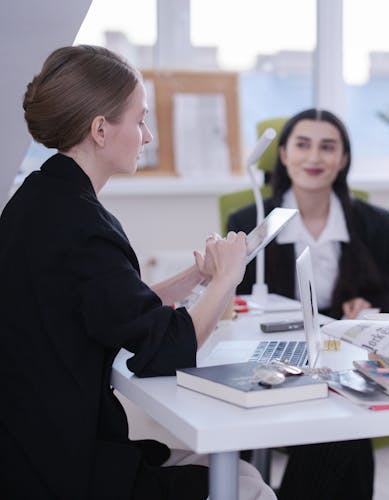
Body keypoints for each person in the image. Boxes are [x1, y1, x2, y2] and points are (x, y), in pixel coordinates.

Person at [0, 45, 275, 499]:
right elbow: (166, 349)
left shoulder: (41, 198)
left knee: (231, 470)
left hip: (27, 448)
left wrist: (196, 277)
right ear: (101, 130)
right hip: (61, 469)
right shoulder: (85, 228)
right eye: (141, 119)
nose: (147, 136)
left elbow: (116, 304)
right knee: (248, 488)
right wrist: (228, 278)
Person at [227, 108, 389, 500]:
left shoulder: (376, 222)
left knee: (343, 419)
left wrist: (368, 304)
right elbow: (231, 301)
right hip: (272, 358)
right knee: (343, 426)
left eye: (328, 147)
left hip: (344, 358)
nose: (314, 158)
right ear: (283, 155)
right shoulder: (250, 219)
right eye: (303, 145)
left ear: (343, 159)